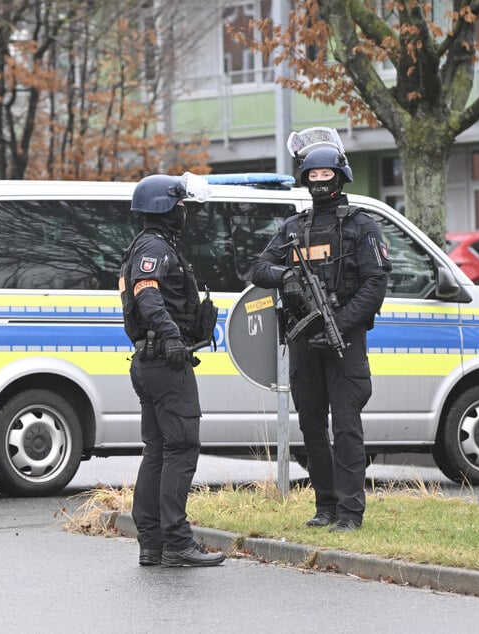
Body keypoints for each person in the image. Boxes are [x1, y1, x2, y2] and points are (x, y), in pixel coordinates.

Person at [249, 147, 391, 532]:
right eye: (313, 177)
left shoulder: (362, 226)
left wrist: (341, 323)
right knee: (312, 424)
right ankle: (324, 505)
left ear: (340, 178)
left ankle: (349, 511)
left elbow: (375, 284)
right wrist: (287, 277)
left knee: (346, 426)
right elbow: (258, 267)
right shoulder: (294, 228)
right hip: (304, 338)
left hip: (343, 339)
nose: (319, 184)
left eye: (326, 176)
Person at [119, 172, 225, 567]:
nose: (184, 212)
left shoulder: (144, 245)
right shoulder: (154, 249)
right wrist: (172, 336)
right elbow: (147, 296)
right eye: (181, 205)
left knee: (159, 451)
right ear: (165, 207)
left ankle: (152, 543)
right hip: (165, 362)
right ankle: (177, 542)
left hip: (150, 362)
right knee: (181, 448)